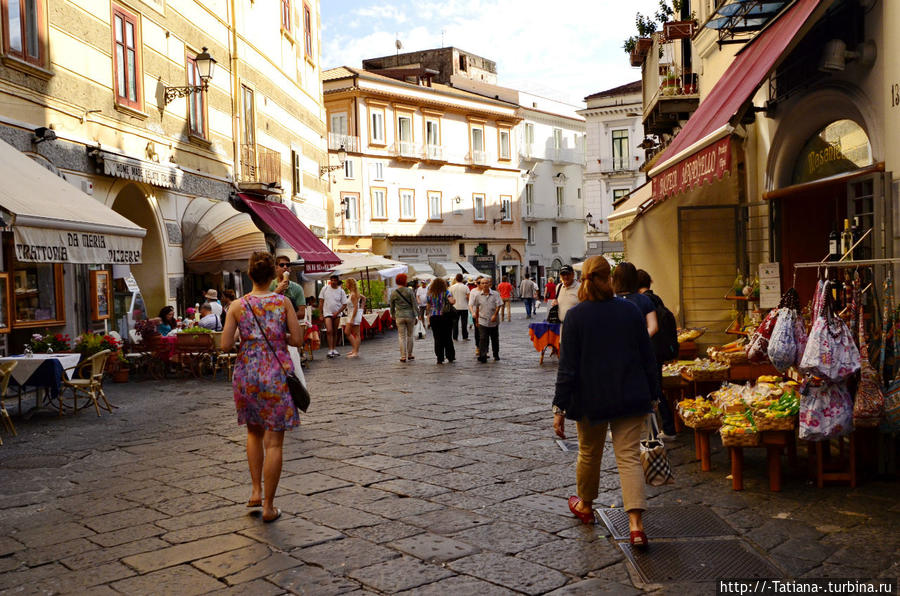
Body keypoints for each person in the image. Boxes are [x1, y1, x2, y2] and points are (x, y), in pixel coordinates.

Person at [552, 256, 657, 549]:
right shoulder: (630, 311)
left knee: (588, 453)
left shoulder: (575, 316)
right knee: (628, 458)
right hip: (629, 395)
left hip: (590, 399)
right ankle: (636, 526)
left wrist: (559, 408)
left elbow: (567, 367)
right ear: (608, 279)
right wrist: (654, 394)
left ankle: (585, 505)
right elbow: (646, 356)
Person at [222, 251, 303, 524]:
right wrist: (277, 335)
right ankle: (269, 506)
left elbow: (224, 345)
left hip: (247, 374)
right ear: (274, 275)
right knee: (275, 443)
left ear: (249, 274)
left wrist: (246, 336)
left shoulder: (237, 305)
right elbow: (298, 339)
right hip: (276, 374)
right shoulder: (283, 303)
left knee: (253, 434)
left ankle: (255, 490)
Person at [637, 269, 678, 439]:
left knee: (654, 391)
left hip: (650, 350)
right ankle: (665, 428)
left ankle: (666, 429)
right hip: (660, 350)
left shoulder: (643, 302)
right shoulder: (656, 298)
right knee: (656, 389)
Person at [426, 277, 456, 363]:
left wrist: (428, 317)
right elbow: (452, 302)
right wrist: (454, 300)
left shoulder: (430, 293)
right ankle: (450, 356)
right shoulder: (446, 292)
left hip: (434, 317)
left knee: (437, 337)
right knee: (447, 336)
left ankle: (440, 357)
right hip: (445, 316)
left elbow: (428, 306)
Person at [318, 274, 349, 358]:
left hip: (337, 314)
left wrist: (338, 312)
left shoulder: (341, 291)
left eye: (335, 280)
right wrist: (320, 313)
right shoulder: (325, 289)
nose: (333, 281)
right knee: (329, 330)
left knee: (335, 331)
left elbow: (344, 304)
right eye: (332, 280)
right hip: (327, 313)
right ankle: (330, 349)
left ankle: (334, 348)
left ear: (337, 281)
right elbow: (321, 301)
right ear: (330, 281)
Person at [389, 273, 417, 362]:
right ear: (404, 280)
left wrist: (393, 315)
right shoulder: (409, 291)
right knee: (410, 335)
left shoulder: (394, 292)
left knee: (401, 336)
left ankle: (403, 356)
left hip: (399, 316)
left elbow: (391, 306)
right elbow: (414, 304)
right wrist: (417, 315)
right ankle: (410, 354)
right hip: (410, 316)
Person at [474, 277, 503, 362]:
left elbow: (499, 305)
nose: (484, 285)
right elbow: (477, 308)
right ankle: (482, 355)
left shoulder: (495, 294)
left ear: (489, 284)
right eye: (482, 283)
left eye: (486, 283)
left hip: (493, 321)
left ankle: (496, 354)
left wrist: (495, 315)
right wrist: (476, 320)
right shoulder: (478, 296)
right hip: (482, 320)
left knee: (494, 338)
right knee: (483, 338)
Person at [344, 278, 365, 358]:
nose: (345, 285)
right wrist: (362, 309)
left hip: (353, 315)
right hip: (351, 314)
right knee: (347, 332)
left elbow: (356, 307)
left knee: (356, 334)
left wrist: (360, 310)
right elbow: (364, 299)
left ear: (350, 284)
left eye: (346, 283)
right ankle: (354, 349)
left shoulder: (353, 295)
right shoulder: (353, 293)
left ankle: (356, 352)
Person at [449, 274, 470, 341]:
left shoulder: (452, 287)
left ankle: (455, 337)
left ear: (456, 279)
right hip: (464, 307)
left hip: (455, 307)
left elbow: (450, 297)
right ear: (462, 279)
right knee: (464, 323)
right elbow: (468, 297)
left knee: (455, 323)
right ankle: (465, 336)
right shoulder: (465, 287)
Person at [468, 275, 484, 357]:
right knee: (478, 331)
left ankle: (485, 349)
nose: (478, 284)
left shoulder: (487, 291)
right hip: (476, 315)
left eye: (480, 282)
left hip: (485, 315)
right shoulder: (473, 291)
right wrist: (472, 313)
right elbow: (470, 304)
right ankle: (478, 347)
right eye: (477, 282)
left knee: (485, 333)